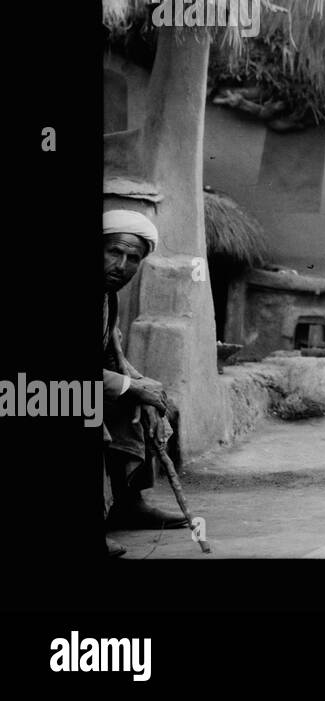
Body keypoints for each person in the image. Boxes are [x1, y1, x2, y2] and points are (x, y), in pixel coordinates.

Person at [102, 210, 187, 557]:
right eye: (114, 252)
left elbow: (112, 354)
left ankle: (129, 502)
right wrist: (130, 386)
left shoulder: (108, 297)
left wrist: (143, 385)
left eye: (133, 258)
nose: (122, 265)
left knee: (149, 402)